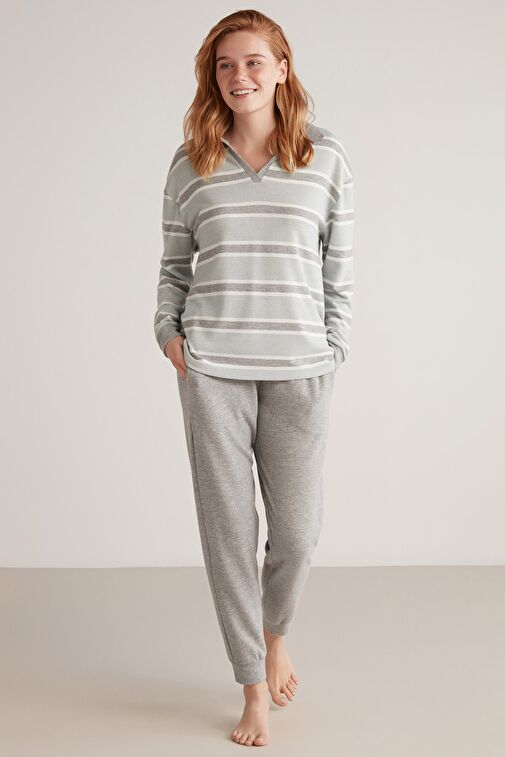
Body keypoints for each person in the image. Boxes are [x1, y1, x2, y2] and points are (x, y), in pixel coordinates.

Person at [154, 9, 354, 747]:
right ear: (212, 77)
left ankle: (275, 637)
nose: (238, 76)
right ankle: (250, 686)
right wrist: (169, 334)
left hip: (300, 368)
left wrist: (333, 345)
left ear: (281, 68)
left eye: (252, 62)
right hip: (212, 370)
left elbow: (339, 267)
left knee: (296, 533)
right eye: (224, 65)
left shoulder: (324, 157)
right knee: (229, 535)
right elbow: (173, 267)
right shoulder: (191, 163)